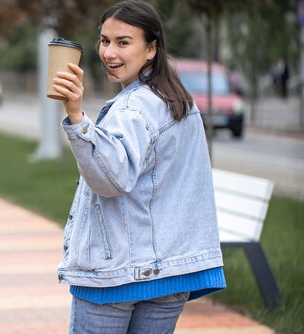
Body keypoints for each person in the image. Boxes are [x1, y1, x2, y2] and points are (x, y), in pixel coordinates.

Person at [51, 1, 226, 333]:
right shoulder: (179, 102)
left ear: (151, 49)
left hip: (116, 273)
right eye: (104, 40)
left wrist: (77, 117)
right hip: (170, 275)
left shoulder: (132, 107)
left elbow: (110, 179)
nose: (109, 52)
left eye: (123, 42)